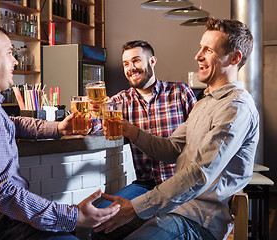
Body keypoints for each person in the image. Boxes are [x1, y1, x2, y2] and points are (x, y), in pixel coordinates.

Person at [0, 24, 120, 240]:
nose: (15, 61)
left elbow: (10, 123)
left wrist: (59, 128)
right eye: (10, 53)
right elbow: (2, 194)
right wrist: (73, 215)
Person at [94, 18, 259, 240]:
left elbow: (199, 174)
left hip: (199, 217)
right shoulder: (206, 102)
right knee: (99, 230)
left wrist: (135, 207)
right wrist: (131, 131)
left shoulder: (236, 108)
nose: (197, 55)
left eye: (208, 49)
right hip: (173, 205)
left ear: (235, 58)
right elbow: (172, 148)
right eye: (200, 47)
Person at [91, 40, 196, 207]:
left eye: (136, 60)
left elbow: (201, 137)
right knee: (101, 212)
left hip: (180, 182)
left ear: (152, 61)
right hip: (146, 184)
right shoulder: (119, 101)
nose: (130, 68)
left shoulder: (180, 92)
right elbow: (94, 127)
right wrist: (94, 113)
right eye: (126, 64)